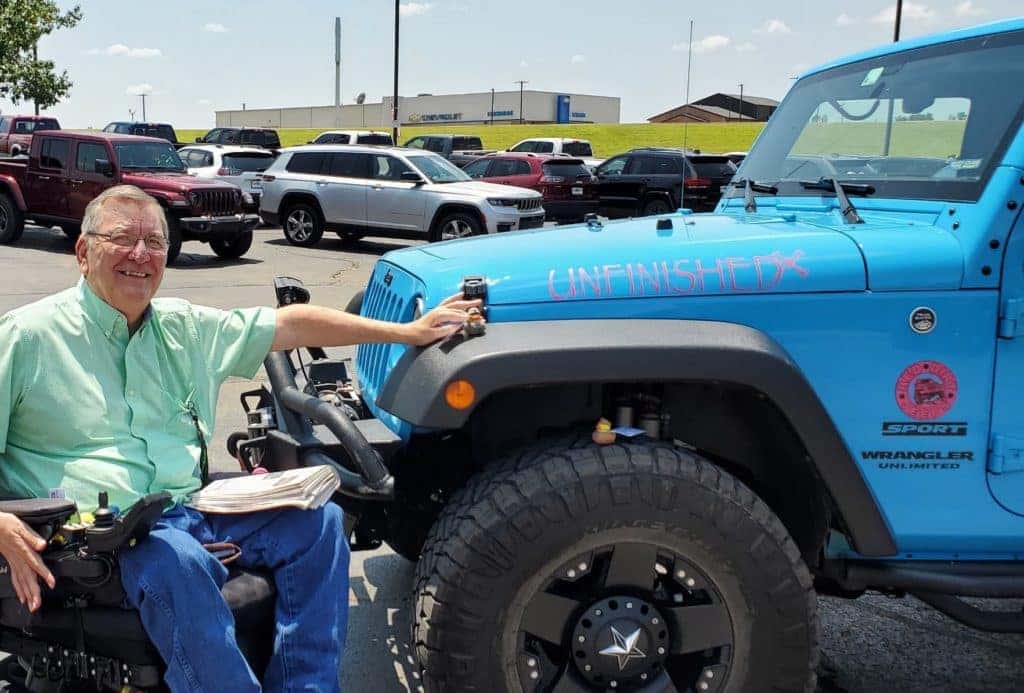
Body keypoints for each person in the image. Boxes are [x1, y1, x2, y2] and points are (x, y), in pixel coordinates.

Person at [0, 185, 480, 691]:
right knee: (177, 562)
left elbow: (289, 325)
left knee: (320, 523)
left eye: (155, 242)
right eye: (122, 238)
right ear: (83, 252)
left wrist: (410, 331)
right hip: (98, 540)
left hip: (185, 508)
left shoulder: (183, 328)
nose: (140, 254)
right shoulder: (28, 338)